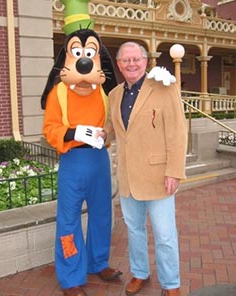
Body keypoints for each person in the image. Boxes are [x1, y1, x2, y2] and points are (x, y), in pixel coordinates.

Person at [41, 0, 122, 296]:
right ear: (66, 57)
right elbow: (50, 129)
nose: (85, 60)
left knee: (102, 213)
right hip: (73, 162)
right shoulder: (58, 93)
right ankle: (71, 277)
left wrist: (106, 134)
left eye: (91, 52)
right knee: (69, 220)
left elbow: (113, 124)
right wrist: (72, 133)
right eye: (78, 52)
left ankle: (98, 262)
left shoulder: (104, 93)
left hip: (99, 160)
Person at [104, 42, 187, 296]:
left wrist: (174, 170)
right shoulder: (114, 95)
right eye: (126, 60)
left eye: (136, 59)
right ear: (119, 64)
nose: (131, 64)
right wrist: (99, 135)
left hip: (158, 177)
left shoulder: (164, 87)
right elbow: (111, 127)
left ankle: (171, 284)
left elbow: (177, 132)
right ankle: (140, 273)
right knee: (135, 231)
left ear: (145, 61)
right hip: (129, 177)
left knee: (164, 235)